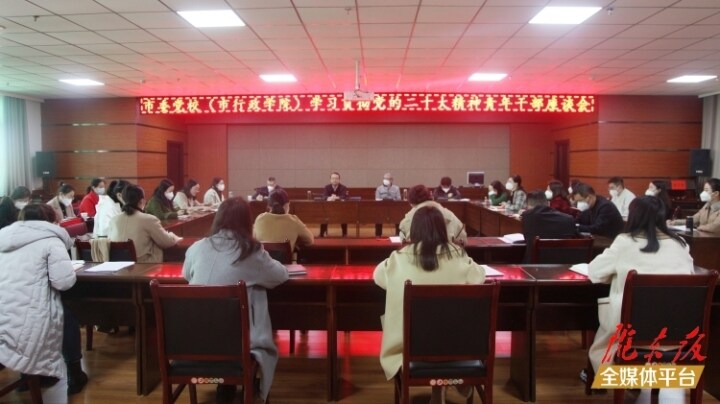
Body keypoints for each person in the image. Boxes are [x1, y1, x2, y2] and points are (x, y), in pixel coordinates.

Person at [373, 206, 485, 403]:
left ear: (413, 231)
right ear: (443, 230)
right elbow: (480, 276)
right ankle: (451, 381)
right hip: (456, 348)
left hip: (411, 350)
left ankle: (439, 387)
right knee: (447, 322)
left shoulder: (399, 258)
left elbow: (378, 276)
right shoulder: (457, 255)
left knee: (422, 328)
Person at [183, 197, 289, 403]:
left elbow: (187, 275)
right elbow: (280, 275)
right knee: (255, 292)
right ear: (247, 222)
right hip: (236, 344)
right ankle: (242, 383)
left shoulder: (196, 247)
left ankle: (225, 385)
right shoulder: (250, 251)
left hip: (194, 339)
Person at [585, 196, 693, 376]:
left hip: (631, 329)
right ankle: (653, 379)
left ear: (634, 216)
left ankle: (624, 378)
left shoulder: (625, 242)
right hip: (677, 329)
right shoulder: (680, 244)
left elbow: (595, 272)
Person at [0, 204, 89, 395]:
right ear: (52, 221)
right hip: (31, 312)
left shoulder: (4, 237)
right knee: (67, 317)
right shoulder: (50, 240)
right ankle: (74, 373)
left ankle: (28, 376)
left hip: (4, 309)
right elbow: (63, 282)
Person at [108, 184, 180, 263]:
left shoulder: (113, 220)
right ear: (142, 201)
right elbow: (166, 242)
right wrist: (172, 236)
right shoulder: (149, 219)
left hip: (118, 265)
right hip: (143, 265)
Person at [521, 190, 578, 262]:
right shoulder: (569, 219)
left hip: (534, 265)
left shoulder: (527, 217)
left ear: (528, 206)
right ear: (548, 203)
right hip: (563, 264)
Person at [398, 185, 467, 243]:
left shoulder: (407, 220)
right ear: (431, 197)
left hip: (417, 254)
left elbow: (404, 243)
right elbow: (463, 240)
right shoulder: (450, 215)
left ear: (411, 203)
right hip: (448, 254)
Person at [320, 172, 348, 237]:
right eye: (333, 178)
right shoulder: (327, 187)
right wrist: (330, 198)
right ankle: (322, 233)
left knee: (344, 215)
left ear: (339, 180)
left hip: (340, 209)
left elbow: (344, 197)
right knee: (323, 215)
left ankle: (344, 234)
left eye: (336, 178)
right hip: (328, 209)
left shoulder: (343, 187)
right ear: (330, 179)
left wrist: (336, 198)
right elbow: (324, 197)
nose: (334, 180)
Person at [374, 173, 401, 237]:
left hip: (393, 208)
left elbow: (399, 198)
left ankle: (398, 234)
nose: (385, 180)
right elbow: (377, 199)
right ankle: (378, 234)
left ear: (391, 180)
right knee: (378, 216)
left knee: (398, 215)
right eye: (384, 178)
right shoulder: (379, 188)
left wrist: (392, 199)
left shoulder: (396, 188)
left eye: (387, 179)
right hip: (382, 208)